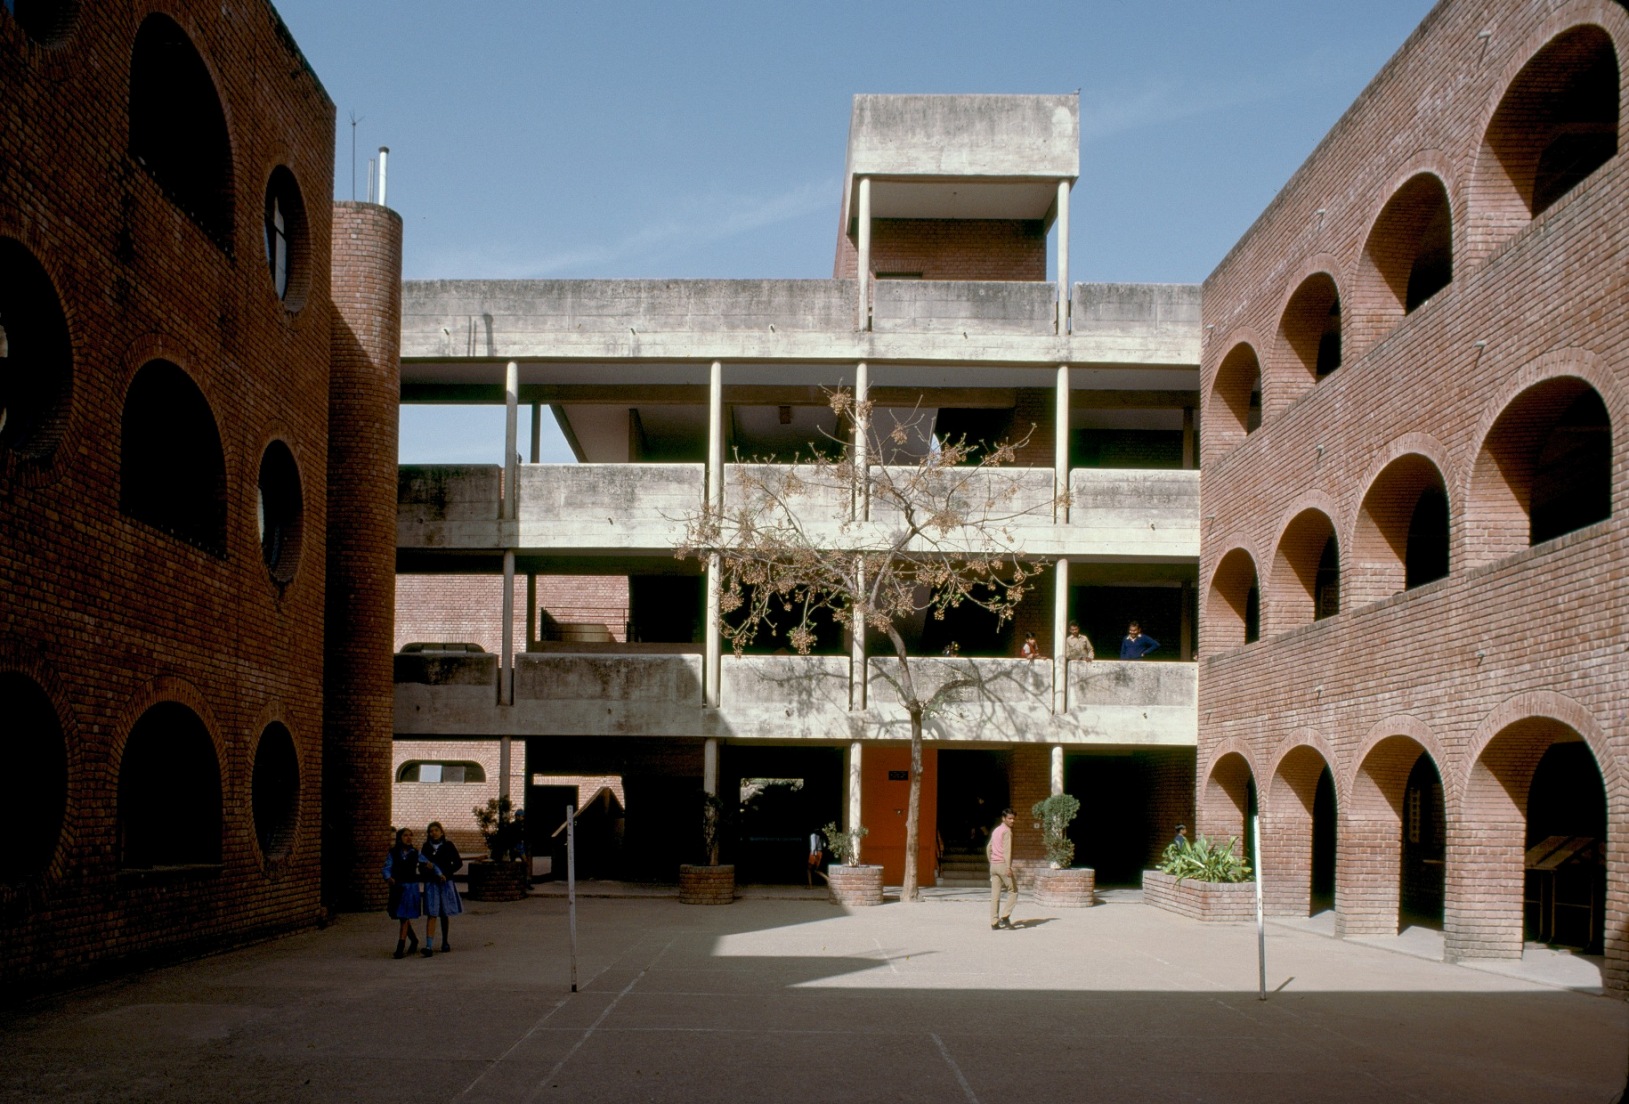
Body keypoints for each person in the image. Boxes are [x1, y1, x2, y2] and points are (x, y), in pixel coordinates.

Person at [421, 821, 463, 954]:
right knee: (432, 913)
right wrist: (427, 869)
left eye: (436, 830)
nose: (434, 833)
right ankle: (428, 945)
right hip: (432, 883)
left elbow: (458, 863)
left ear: (442, 832)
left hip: (445, 883)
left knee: (444, 913)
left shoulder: (448, 846)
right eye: (431, 831)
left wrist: (446, 873)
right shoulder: (426, 847)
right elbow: (421, 866)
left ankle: (445, 941)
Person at [383, 827, 425, 959]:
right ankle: (414, 939)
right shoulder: (394, 853)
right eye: (405, 835)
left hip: (410, 887)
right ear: (400, 838)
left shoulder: (415, 852)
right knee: (402, 916)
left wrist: (438, 872)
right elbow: (387, 867)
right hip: (398, 887)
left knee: (405, 916)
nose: (408, 838)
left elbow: (427, 862)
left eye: (410, 835)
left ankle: (400, 946)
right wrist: (388, 877)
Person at [987, 807, 1017, 931]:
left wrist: (991, 861)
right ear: (1003, 818)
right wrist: (1008, 867)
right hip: (1003, 865)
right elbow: (1007, 851)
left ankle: (994, 922)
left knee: (995, 895)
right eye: (1009, 818)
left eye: (1013, 819)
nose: (1012, 821)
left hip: (993, 865)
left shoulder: (996, 830)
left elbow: (988, 847)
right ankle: (1005, 916)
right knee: (1013, 891)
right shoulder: (1007, 831)